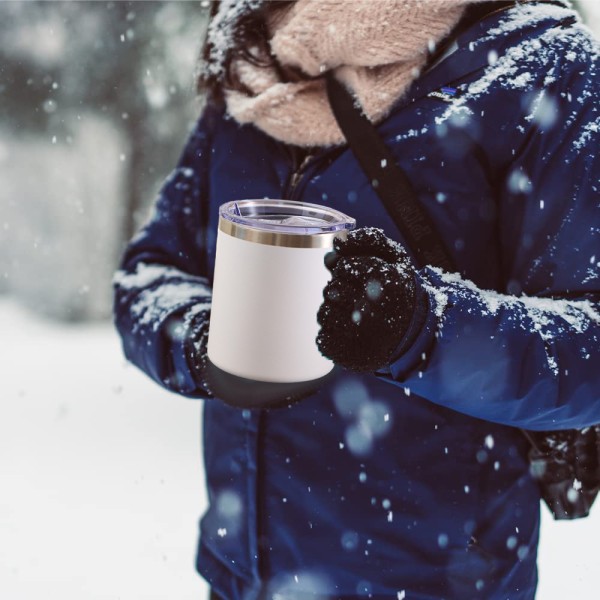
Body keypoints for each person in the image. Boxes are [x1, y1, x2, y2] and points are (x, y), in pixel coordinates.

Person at [113, 0, 600, 598]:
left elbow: (590, 342)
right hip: (244, 573)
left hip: (434, 581)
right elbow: (151, 270)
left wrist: (425, 328)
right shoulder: (254, 65)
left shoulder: (538, 60)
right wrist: (197, 338)